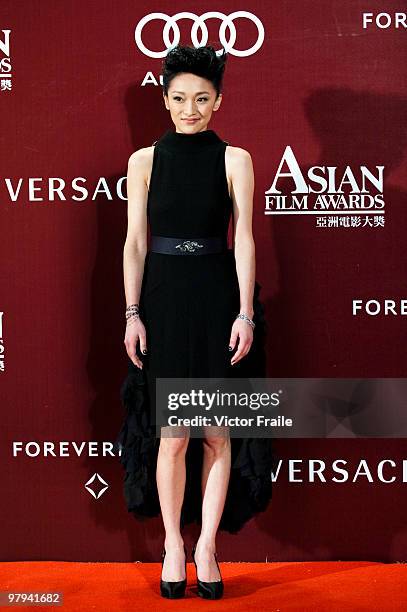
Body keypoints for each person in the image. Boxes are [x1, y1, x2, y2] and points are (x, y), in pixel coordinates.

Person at [115, 44, 277, 600]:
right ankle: (172, 546)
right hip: (162, 298)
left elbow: (246, 239)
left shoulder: (236, 159)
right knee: (173, 436)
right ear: (164, 101)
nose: (190, 109)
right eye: (180, 98)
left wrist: (244, 312)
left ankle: (206, 544)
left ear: (218, 101)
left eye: (202, 99)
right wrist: (133, 312)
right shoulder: (144, 161)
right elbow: (135, 243)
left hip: (215, 298)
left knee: (215, 433)